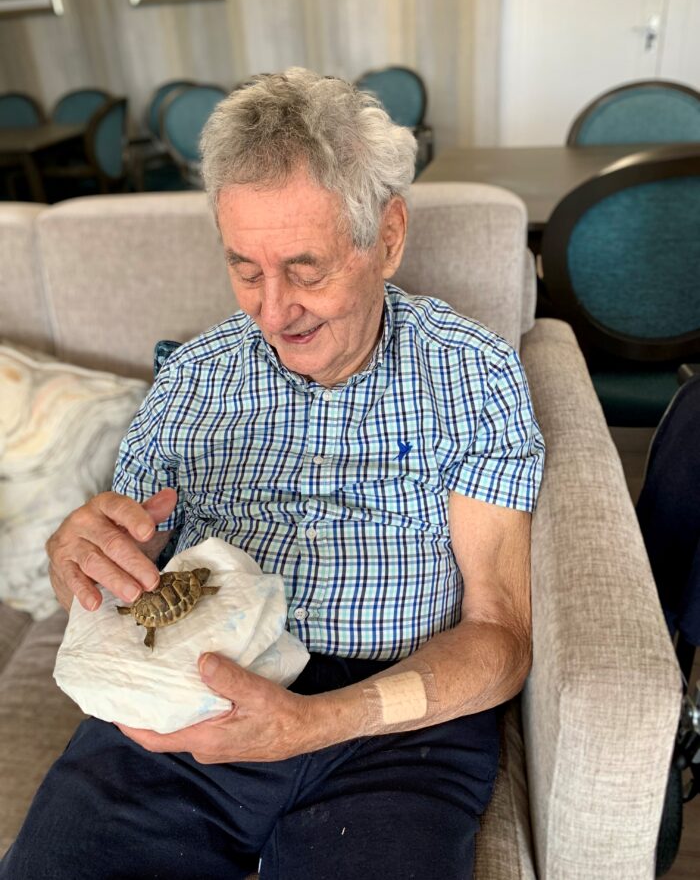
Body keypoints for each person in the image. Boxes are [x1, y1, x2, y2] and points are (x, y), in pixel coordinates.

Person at [0, 68, 544, 880]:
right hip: (192, 693)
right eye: (245, 269)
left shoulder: (471, 375)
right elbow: (127, 581)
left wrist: (316, 720)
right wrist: (79, 553)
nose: (272, 308)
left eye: (306, 268)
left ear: (388, 237)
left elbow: (500, 640)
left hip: (393, 720)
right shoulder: (193, 379)